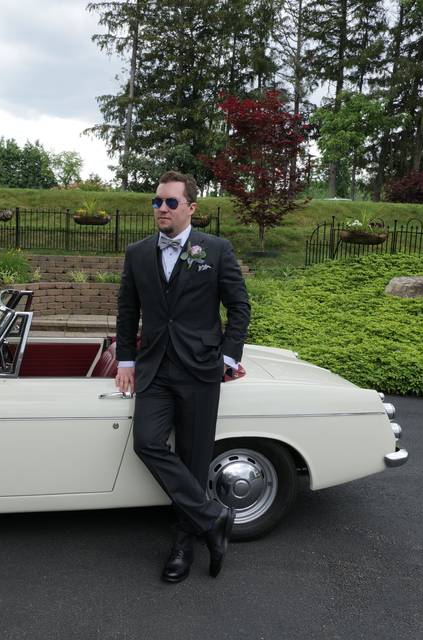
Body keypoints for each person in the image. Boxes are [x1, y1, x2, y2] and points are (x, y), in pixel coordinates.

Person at [115, 170, 251, 583]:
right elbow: (127, 311)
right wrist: (125, 361)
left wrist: (227, 359)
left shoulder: (216, 249)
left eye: (171, 202)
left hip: (200, 371)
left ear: (192, 207)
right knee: (147, 443)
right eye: (157, 202)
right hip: (154, 368)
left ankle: (182, 545)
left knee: (194, 460)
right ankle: (213, 517)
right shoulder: (137, 253)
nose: (161, 209)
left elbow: (239, 307)